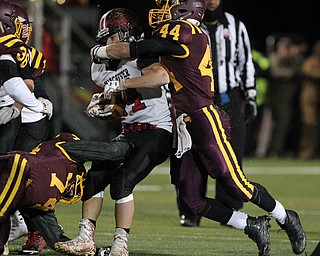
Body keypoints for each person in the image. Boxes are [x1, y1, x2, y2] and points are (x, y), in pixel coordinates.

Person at [85, 0, 307, 255]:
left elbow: (135, 48)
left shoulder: (187, 31)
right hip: (182, 123)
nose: (163, 11)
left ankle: (285, 217)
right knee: (191, 200)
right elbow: (146, 54)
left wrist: (98, 53)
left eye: (170, 5)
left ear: (186, 10)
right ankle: (251, 225)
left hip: (204, 117)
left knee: (235, 184)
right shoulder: (174, 35)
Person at [54, 8, 173, 256]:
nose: (105, 42)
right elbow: (124, 105)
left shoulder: (142, 55)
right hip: (129, 133)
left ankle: (121, 244)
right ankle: (85, 237)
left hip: (157, 131)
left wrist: (122, 83)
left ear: (126, 33)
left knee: (122, 182)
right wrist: (110, 108)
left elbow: (160, 77)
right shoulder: (102, 68)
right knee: (96, 175)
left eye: (111, 37)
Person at [177, 0, 257, 227]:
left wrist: (250, 96)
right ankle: (190, 210)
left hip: (227, 97)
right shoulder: (186, 26)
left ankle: (229, 210)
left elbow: (246, 61)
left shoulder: (235, 25)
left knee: (232, 154)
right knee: (192, 153)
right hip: (197, 98)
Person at [0, 132, 132, 255]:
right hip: (15, 167)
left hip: (17, 178)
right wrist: (141, 147)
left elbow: (58, 242)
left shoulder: (38, 202)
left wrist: (98, 252)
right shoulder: (65, 150)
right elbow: (112, 151)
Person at [0, 0, 53, 153]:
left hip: (25, 120)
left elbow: (28, 83)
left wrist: (18, 107)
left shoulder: (12, 53)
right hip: (14, 110)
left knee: (9, 162)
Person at [298, 39, 320, 159]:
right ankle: (305, 151)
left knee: (316, 126)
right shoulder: (311, 61)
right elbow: (309, 72)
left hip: (317, 98)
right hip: (309, 97)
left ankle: (314, 151)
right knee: (309, 124)